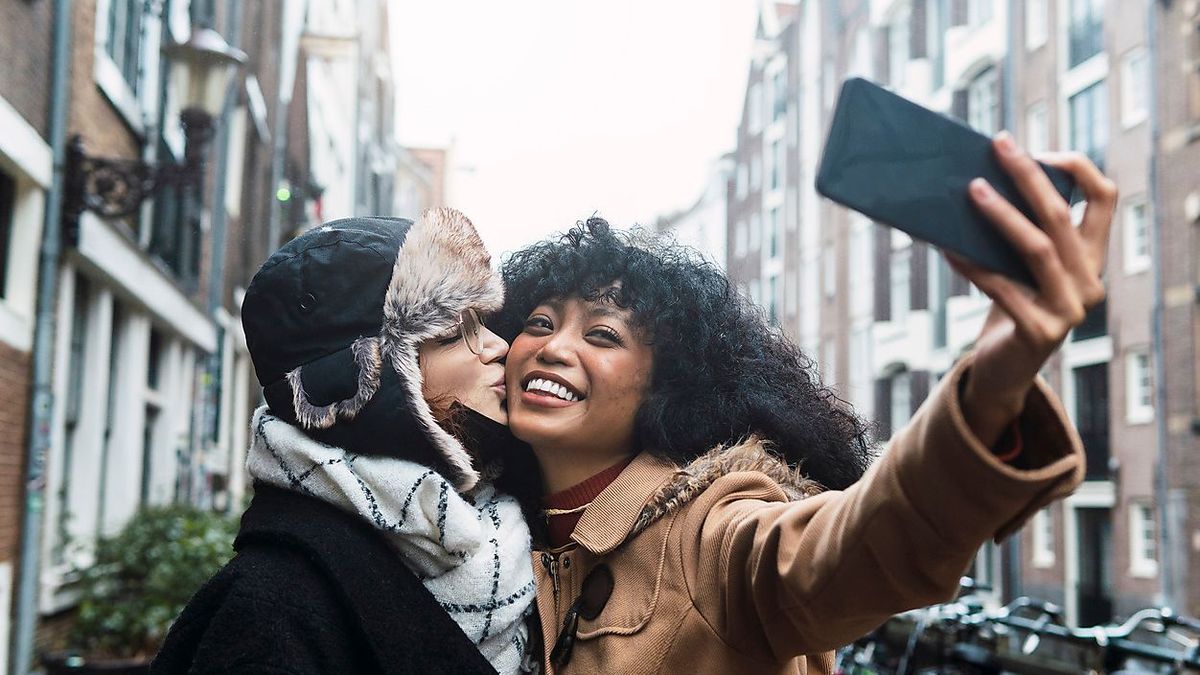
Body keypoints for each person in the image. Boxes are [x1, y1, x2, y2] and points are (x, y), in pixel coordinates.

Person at [495, 136, 1113, 673]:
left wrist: (995, 382)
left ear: (667, 387)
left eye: (602, 335)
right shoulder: (484, 527)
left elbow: (862, 548)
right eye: (540, 322)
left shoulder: (711, 531)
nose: (553, 347)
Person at [151, 209, 537, 675]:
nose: (498, 346)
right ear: (378, 383)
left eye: (485, 322)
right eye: (456, 333)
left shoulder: (516, 534)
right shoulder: (269, 610)